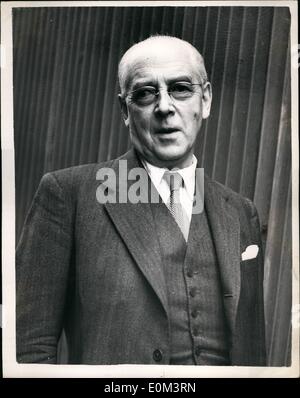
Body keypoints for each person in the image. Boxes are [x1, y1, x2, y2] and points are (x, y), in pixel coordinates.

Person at [16, 35, 266, 366]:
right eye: (146, 93)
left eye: (180, 88)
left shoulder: (240, 212)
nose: (164, 107)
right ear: (125, 110)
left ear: (205, 100)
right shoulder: (68, 194)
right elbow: (27, 348)